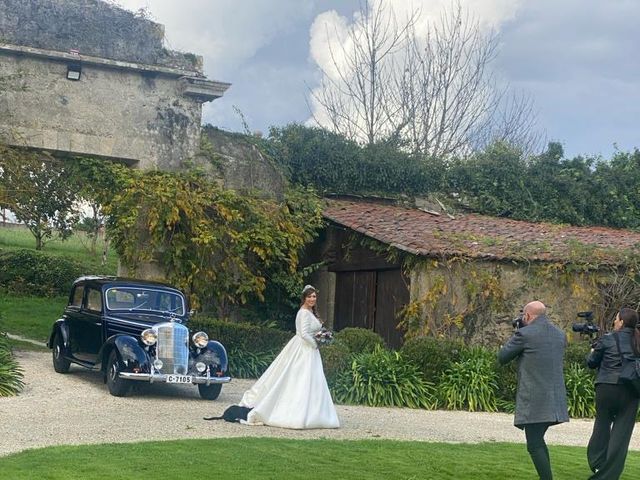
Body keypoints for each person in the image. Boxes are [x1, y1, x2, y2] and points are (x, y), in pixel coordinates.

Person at [238, 285, 340, 429]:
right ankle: (297, 414)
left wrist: (322, 337)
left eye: (314, 296)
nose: (312, 299)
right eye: (309, 296)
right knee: (300, 379)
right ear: (304, 298)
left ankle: (316, 414)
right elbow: (304, 334)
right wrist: (316, 344)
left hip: (310, 350)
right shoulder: (303, 313)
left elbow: (314, 331)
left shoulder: (311, 312)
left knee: (314, 381)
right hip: (303, 349)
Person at [498, 301, 569, 480]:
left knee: (534, 443)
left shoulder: (524, 334)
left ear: (527, 316)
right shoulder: (560, 335)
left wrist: (517, 331)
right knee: (537, 440)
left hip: (535, 400)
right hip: (555, 399)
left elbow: (503, 356)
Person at [586, 307, 640, 479]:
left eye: (616, 319)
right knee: (621, 434)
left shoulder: (608, 339)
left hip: (606, 387)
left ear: (622, 322)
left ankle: (597, 463)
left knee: (601, 425)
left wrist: (593, 350)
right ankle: (609, 473)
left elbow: (592, 363)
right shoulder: (637, 341)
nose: (615, 322)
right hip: (631, 389)